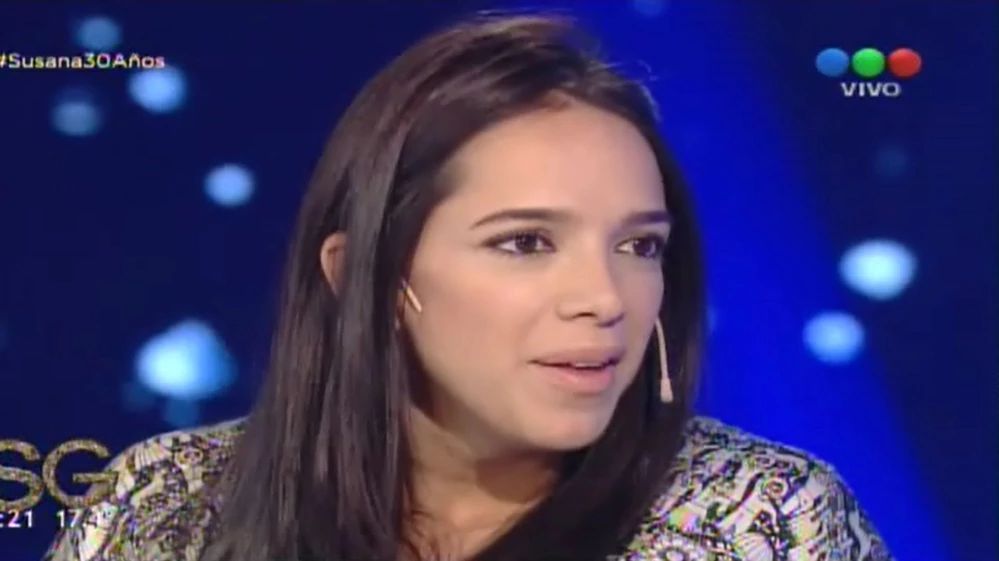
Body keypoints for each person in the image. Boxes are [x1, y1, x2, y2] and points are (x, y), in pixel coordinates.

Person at [44, 13, 892, 561]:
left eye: (638, 245)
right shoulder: (162, 502)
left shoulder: (766, 521)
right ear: (367, 275)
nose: (604, 297)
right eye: (525, 242)